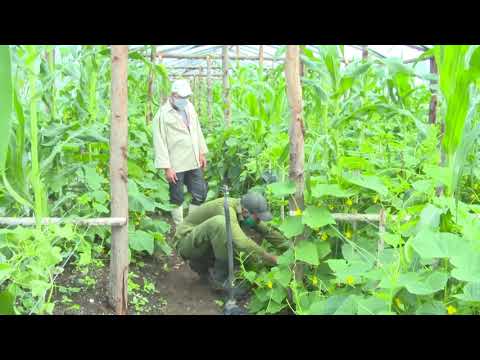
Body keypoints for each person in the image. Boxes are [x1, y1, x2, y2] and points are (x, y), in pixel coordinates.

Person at [174, 191, 289, 297]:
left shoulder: (243, 209)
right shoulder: (226, 209)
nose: (259, 221)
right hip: (185, 243)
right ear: (245, 211)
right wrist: (272, 259)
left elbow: (267, 231)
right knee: (222, 226)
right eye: (258, 218)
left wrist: (291, 248)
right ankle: (221, 281)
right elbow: (242, 242)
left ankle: (201, 265)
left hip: (199, 242)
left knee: (229, 237)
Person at [152, 79, 208, 226]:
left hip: (193, 159)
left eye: (186, 97)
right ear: (173, 95)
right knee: (177, 197)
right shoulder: (162, 115)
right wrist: (167, 167)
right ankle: (179, 227)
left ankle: (191, 224)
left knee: (199, 192)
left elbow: (197, 130)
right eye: (182, 97)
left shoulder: (189, 107)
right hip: (175, 163)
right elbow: (160, 142)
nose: (185, 100)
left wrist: (201, 152)